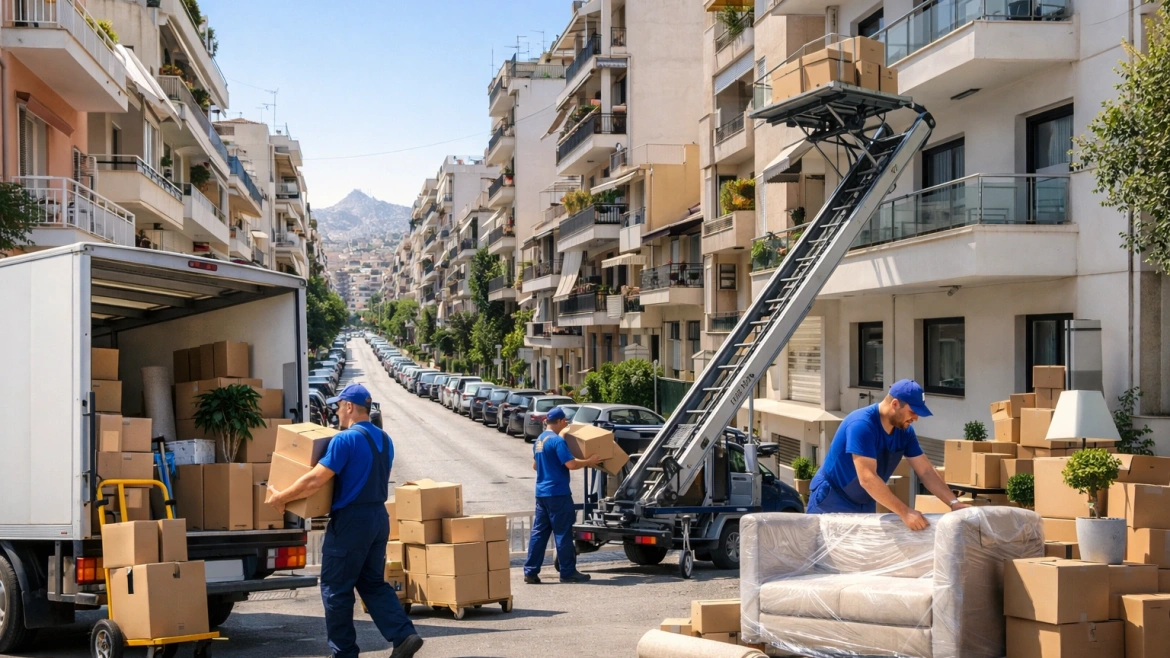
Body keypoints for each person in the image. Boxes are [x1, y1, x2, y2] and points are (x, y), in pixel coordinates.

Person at [266, 383, 423, 658]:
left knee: (336, 588)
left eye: (338, 406)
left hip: (352, 521)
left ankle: (344, 653)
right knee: (372, 583)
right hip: (378, 518)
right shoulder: (385, 440)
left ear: (349, 406)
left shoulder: (345, 440)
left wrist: (282, 498)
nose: (336, 411)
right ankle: (404, 635)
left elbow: (316, 479)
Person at [806, 379, 969, 530]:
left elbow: (926, 471)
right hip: (832, 499)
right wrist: (905, 512)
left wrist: (953, 502)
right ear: (895, 404)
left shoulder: (904, 432)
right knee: (821, 557)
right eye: (913, 411)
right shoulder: (861, 425)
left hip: (865, 501)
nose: (916, 418)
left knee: (857, 559)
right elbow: (868, 478)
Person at [523, 407, 601, 584]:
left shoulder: (540, 440)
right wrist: (589, 461)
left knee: (539, 534)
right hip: (558, 493)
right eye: (564, 421)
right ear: (558, 422)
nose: (566, 423)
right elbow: (571, 464)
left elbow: (535, 466)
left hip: (542, 493)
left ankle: (530, 572)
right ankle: (568, 572)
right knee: (563, 533)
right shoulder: (557, 441)